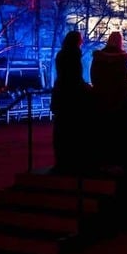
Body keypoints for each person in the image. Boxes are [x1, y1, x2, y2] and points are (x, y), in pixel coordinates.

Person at [90, 31, 127, 168]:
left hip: (101, 99)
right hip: (118, 100)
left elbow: (94, 76)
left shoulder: (99, 57)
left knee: (103, 131)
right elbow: (125, 81)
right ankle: (116, 162)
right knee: (118, 131)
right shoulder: (121, 59)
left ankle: (101, 160)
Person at [52, 30, 91, 173]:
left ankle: (62, 160)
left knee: (61, 130)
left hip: (61, 97)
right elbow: (74, 76)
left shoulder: (61, 54)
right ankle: (71, 161)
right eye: (80, 39)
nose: (82, 41)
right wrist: (84, 86)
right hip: (71, 99)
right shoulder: (73, 55)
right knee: (71, 130)